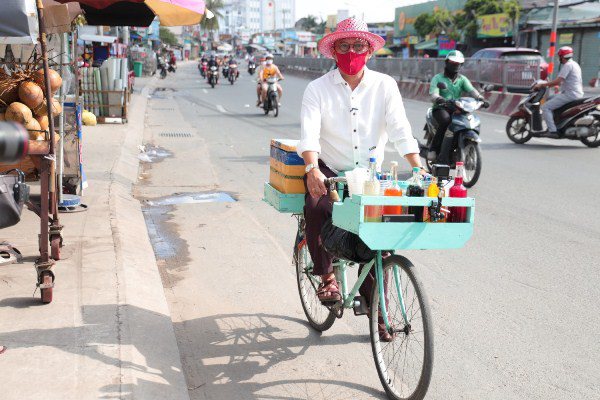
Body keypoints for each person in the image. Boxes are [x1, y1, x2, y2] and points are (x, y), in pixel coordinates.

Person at [298, 17, 425, 342]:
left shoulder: (385, 86)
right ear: (334, 51)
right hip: (328, 168)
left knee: (379, 237)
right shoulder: (318, 89)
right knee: (315, 203)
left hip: (369, 174)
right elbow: (309, 133)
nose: (351, 51)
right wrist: (312, 168)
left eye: (358, 45)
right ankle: (326, 276)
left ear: (369, 50)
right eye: (344, 45)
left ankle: (374, 307)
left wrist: (417, 165)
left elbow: (399, 129)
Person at [428, 50, 488, 162]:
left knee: (469, 122)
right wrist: (439, 98)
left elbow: (472, 90)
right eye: (452, 62)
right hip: (441, 108)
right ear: (446, 62)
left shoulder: (462, 79)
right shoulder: (438, 78)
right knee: (446, 121)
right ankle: (434, 149)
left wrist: (481, 99)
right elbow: (433, 93)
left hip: (457, 108)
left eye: (458, 63)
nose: (455, 65)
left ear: (461, 65)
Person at [535, 46, 584, 137]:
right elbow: (569, 80)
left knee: (546, 107)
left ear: (563, 56)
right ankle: (556, 122)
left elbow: (558, 81)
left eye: (559, 56)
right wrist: (557, 86)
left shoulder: (568, 65)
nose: (559, 58)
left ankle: (552, 130)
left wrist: (542, 85)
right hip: (574, 93)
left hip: (570, 94)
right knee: (549, 98)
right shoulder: (574, 64)